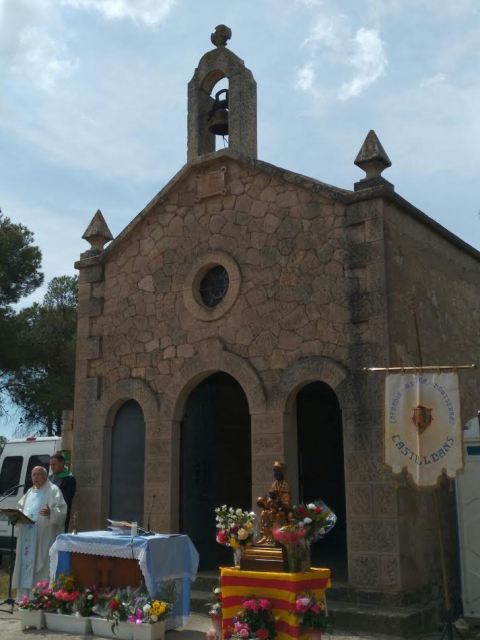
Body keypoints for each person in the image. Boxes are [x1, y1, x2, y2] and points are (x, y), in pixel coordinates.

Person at [12, 466, 67, 599]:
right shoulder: (30, 492)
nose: (36, 477)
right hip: (27, 535)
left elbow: (62, 510)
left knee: (41, 566)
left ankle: (41, 598)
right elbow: (20, 507)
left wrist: (51, 513)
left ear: (45, 476)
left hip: (43, 536)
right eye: (34, 475)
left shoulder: (53, 490)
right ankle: (25, 598)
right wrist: (16, 516)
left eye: (39, 474)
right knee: (25, 565)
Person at [256, 460, 292, 545]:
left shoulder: (285, 485)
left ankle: (277, 538)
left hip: (282, 510)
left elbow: (286, 504)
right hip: (273, 508)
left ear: (282, 472)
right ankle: (266, 536)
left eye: (277, 471)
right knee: (264, 513)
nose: (275, 474)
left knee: (278, 516)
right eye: (274, 471)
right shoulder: (274, 484)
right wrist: (265, 502)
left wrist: (277, 500)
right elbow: (270, 498)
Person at [49, 453, 76, 532]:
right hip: (47, 515)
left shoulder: (69, 479)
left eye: (54, 464)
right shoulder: (50, 478)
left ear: (62, 464)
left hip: (60, 514)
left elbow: (66, 499)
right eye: (51, 465)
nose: (52, 467)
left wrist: (53, 509)